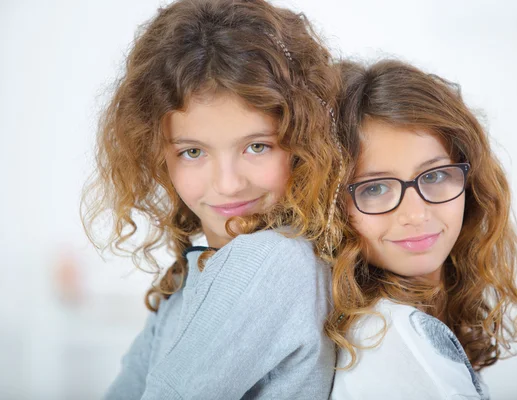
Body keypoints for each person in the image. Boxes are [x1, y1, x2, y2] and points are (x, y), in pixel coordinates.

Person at [81, 0, 344, 398]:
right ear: (157, 155)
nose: (228, 184)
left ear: (303, 140)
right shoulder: (192, 275)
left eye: (257, 146)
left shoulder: (270, 259)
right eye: (192, 152)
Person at [328, 59, 517, 399]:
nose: (415, 214)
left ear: (470, 184)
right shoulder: (395, 337)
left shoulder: (408, 323)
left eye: (435, 176)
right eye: (375, 188)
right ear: (334, 206)